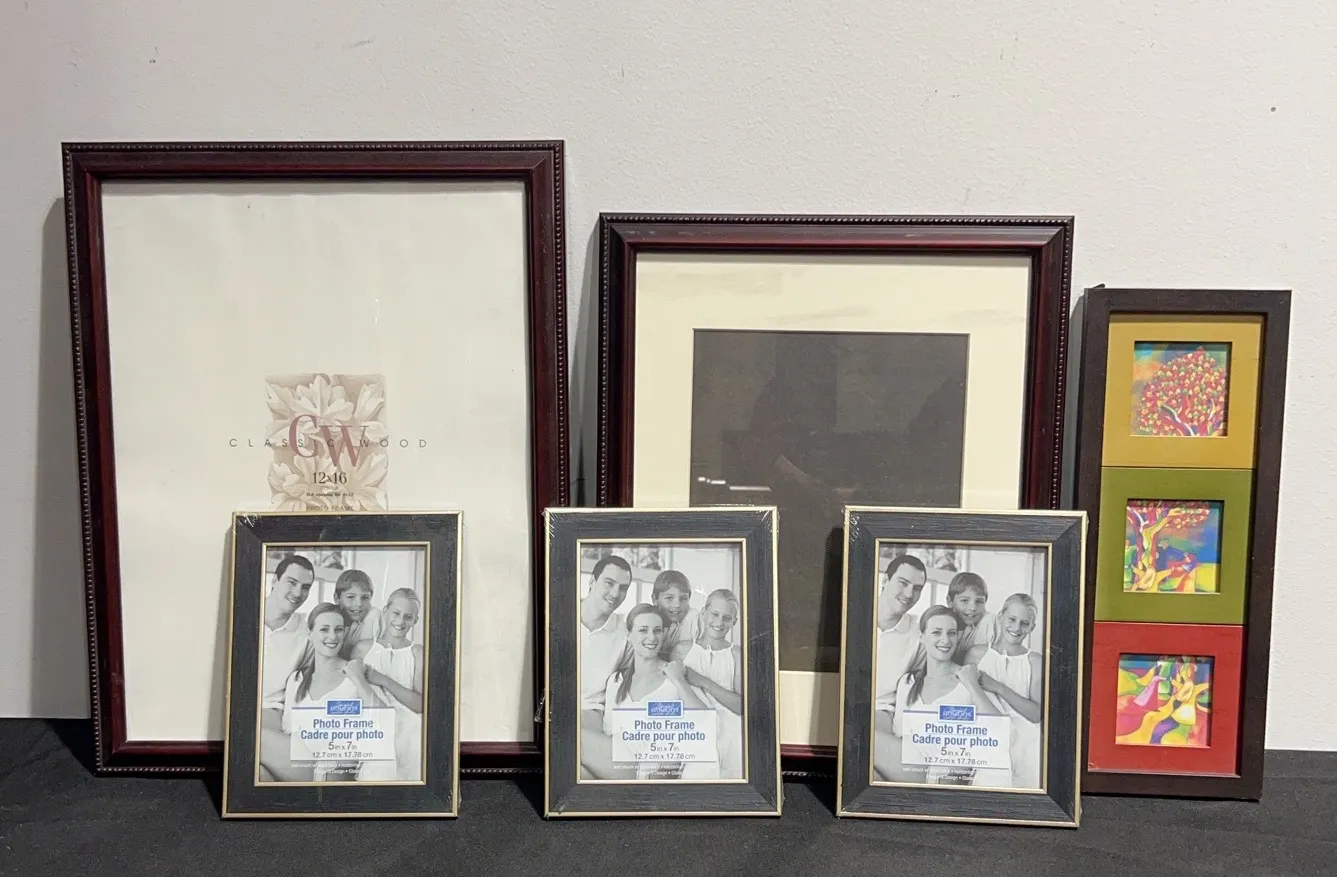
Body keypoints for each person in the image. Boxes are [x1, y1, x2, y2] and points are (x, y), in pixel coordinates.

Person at [258, 603, 395, 783]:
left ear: (344, 633)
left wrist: (359, 679)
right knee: (259, 773)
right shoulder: (297, 680)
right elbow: (289, 729)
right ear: (310, 634)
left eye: (338, 630)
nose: (332, 636)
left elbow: (384, 723)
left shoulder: (354, 675)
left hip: (332, 769)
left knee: (254, 737)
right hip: (300, 764)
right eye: (324, 629)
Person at [876, 605, 998, 786]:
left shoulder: (968, 679)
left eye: (951, 633)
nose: (945, 640)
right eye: (936, 632)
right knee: (871, 773)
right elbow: (900, 734)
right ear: (922, 637)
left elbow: (997, 729)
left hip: (942, 775)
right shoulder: (908, 683)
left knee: (865, 738)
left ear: (958, 637)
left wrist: (973, 685)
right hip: (909, 768)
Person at [601, 604, 711, 780]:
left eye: (657, 630)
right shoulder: (616, 680)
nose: (651, 637)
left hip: (656, 775)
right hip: (620, 769)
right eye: (643, 630)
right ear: (628, 635)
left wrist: (679, 680)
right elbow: (610, 734)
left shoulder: (674, 676)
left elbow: (704, 723)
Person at [965, 593, 1043, 789]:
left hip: (1025, 749)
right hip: (987, 745)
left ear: (1032, 627)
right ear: (1000, 616)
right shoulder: (977, 654)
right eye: (1012, 619)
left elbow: (1036, 714)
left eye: (1024, 623)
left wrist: (998, 687)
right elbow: (966, 701)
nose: (1016, 628)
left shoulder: (1035, 661)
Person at [352, 587, 424, 782]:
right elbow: (351, 692)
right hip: (372, 725)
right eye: (396, 613)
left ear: (415, 620)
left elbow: (420, 705)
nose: (400, 621)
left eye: (408, 617)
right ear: (385, 611)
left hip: (408, 730)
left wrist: (382, 679)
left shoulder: (417, 653)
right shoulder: (364, 648)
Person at [674, 589, 744, 779]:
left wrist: (702, 681)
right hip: (695, 735)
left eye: (727, 618)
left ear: (734, 622)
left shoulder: (736, 654)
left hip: (731, 739)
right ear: (704, 613)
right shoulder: (682, 650)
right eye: (715, 614)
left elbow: (740, 706)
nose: (719, 622)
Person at [578, 555, 633, 779]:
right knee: (582, 776)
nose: (615, 593)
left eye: (623, 588)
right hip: (552, 717)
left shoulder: (625, 633)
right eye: (609, 583)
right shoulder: (557, 614)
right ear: (592, 581)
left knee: (627, 772)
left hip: (592, 718)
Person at [259, 554, 315, 735]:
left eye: (305, 587)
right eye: (292, 582)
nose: (298, 593)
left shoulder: (307, 633)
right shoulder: (241, 612)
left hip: (272, 713)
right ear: (275, 581)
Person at [874, 555, 929, 722]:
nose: (909, 594)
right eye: (903, 583)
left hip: (882, 714)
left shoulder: (919, 636)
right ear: (885, 580)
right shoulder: (849, 613)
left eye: (917, 588)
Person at [945, 572, 997, 661]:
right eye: (964, 600)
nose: (973, 608)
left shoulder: (989, 622)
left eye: (979, 601)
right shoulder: (945, 623)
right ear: (950, 601)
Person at [335, 569, 382, 658]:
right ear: (337, 598)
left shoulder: (373, 617)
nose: (359, 604)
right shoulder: (331, 618)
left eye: (365, 598)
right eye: (351, 597)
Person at [652, 569, 699, 658]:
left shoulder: (694, 618)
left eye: (683, 598)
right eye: (669, 598)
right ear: (655, 599)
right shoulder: (650, 618)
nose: (677, 605)